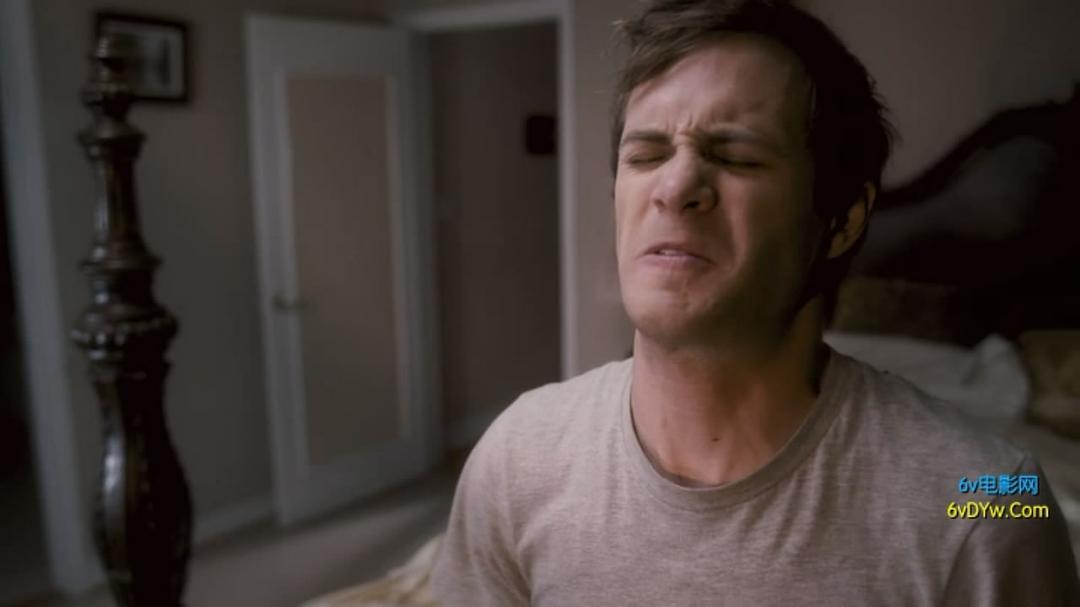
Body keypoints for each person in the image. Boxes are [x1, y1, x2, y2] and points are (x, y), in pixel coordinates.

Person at [430, 0, 1080, 604]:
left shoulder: (995, 496)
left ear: (843, 219)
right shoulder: (516, 454)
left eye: (737, 157)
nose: (674, 187)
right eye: (646, 155)